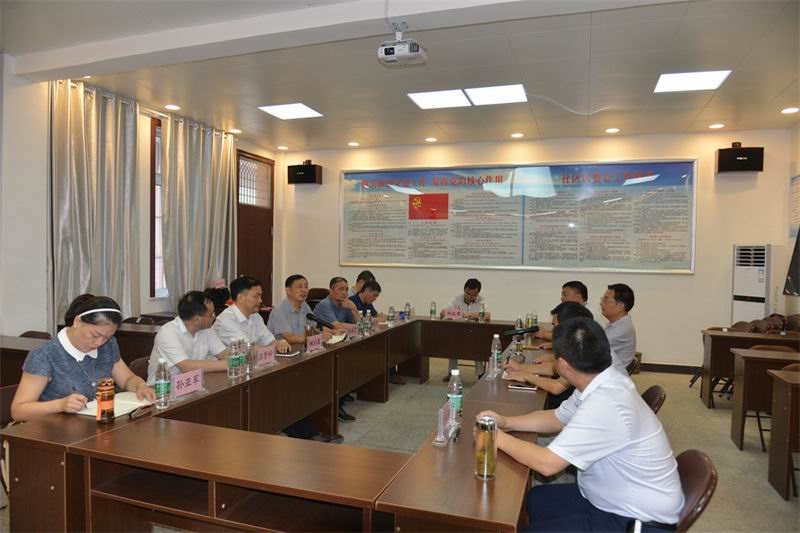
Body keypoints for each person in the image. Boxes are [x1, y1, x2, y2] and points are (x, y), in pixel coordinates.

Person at [480, 318, 683, 532]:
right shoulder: (598, 380)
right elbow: (556, 418)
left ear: (562, 365)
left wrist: (495, 437)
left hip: (634, 519)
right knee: (537, 499)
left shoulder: (607, 403)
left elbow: (547, 464)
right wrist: (506, 422)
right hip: (609, 497)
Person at [11, 294, 155, 422]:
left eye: (107, 337)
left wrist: (140, 386)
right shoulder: (45, 355)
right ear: (77, 322)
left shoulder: (109, 345)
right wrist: (60, 405)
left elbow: (127, 379)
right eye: (95, 335)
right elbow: (18, 411)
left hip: (96, 426)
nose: (99, 343)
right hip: (54, 432)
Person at [504, 301, 592, 409]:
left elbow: (557, 387)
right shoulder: (578, 342)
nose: (553, 330)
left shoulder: (583, 349)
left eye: (555, 325)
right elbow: (554, 369)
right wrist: (521, 368)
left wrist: (527, 376)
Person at [146, 290, 230, 382]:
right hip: (163, 387)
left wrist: (236, 358)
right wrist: (228, 364)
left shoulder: (206, 329)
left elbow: (224, 354)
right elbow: (187, 367)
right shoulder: (168, 332)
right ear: (197, 319)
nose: (214, 317)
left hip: (194, 383)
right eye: (211, 314)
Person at [315, 276, 359, 421]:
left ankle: (342, 396)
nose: (344, 292)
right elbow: (336, 326)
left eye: (346, 289)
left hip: (337, 342)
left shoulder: (345, 303)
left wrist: (353, 308)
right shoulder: (324, 305)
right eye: (340, 289)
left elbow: (357, 321)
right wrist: (359, 326)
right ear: (331, 290)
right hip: (323, 346)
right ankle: (337, 404)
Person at [215, 276, 291, 353]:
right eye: (256, 296)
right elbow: (248, 349)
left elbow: (269, 340)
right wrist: (273, 347)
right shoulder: (226, 320)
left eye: (260, 296)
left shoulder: (255, 316)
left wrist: (280, 343)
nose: (260, 300)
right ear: (240, 298)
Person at [350, 280, 405, 385]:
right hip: (356, 337)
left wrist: (385, 317)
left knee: (388, 340)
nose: (375, 298)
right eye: (374, 295)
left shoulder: (368, 303)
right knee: (382, 344)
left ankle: (390, 373)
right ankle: (387, 374)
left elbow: (377, 316)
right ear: (367, 290)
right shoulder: (352, 302)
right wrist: (377, 319)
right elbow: (357, 321)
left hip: (368, 334)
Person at [268, 274, 337, 344]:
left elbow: (315, 328)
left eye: (306, 287)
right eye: (299, 287)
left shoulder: (305, 306)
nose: (304, 290)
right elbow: (290, 338)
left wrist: (332, 331)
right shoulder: (279, 311)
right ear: (288, 290)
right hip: (283, 349)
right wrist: (318, 338)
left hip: (301, 347)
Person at [442, 278, 484, 380]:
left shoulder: (481, 301)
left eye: (473, 295)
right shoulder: (457, 299)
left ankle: (480, 373)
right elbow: (443, 313)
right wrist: (462, 314)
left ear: (477, 293)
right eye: (467, 294)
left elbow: (487, 315)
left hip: (475, 333)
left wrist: (467, 314)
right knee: (452, 342)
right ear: (464, 290)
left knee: (479, 344)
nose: (470, 297)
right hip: (458, 332)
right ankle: (452, 372)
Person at [600, 283, 637, 368]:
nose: (601, 303)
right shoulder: (617, 324)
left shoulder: (621, 329)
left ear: (620, 306)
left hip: (612, 373)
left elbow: (594, 348)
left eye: (605, 300)